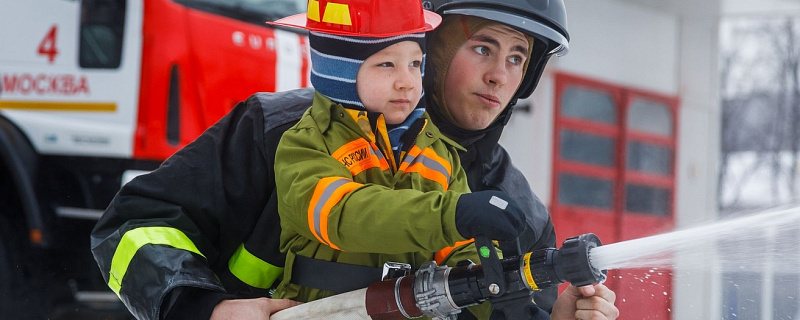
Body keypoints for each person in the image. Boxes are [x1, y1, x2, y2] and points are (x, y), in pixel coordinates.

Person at [90, 0, 619, 319]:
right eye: (482, 48)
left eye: (518, 57)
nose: (499, 76)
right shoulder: (284, 130)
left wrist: (554, 314)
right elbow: (134, 227)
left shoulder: (516, 205)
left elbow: (503, 305)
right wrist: (202, 309)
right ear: (428, 44)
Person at [266, 2, 526, 318]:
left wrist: (505, 299)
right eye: (387, 64)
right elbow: (341, 215)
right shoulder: (307, 142)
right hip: (320, 313)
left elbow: (462, 249)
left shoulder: (437, 153)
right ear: (341, 72)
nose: (407, 81)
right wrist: (451, 215)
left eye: (415, 64)